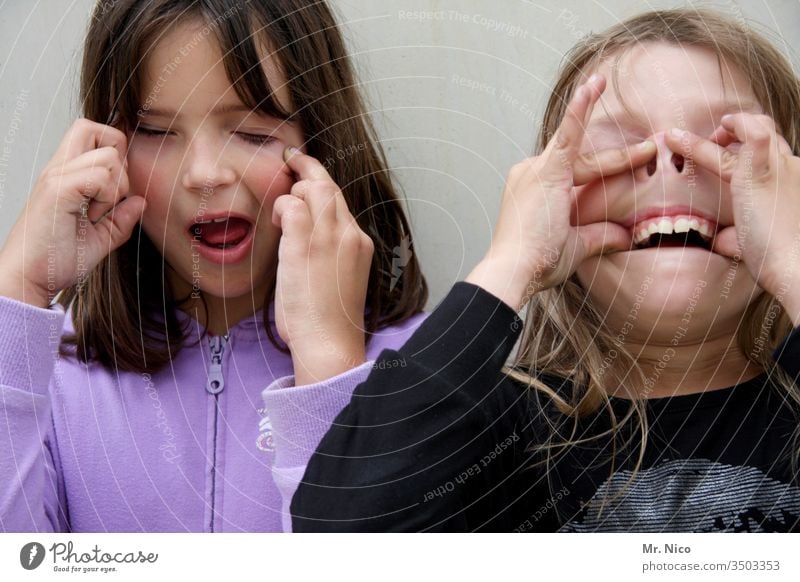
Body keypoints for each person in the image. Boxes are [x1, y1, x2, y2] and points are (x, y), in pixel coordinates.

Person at [291, 8, 800, 532]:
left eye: (727, 140)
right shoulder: (493, 431)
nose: (670, 160)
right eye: (618, 144)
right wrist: (511, 264)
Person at [0, 0, 429, 532]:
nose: (204, 174)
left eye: (252, 132)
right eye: (156, 132)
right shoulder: (46, 375)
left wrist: (329, 373)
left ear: (321, 141)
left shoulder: (424, 371)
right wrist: (18, 290)